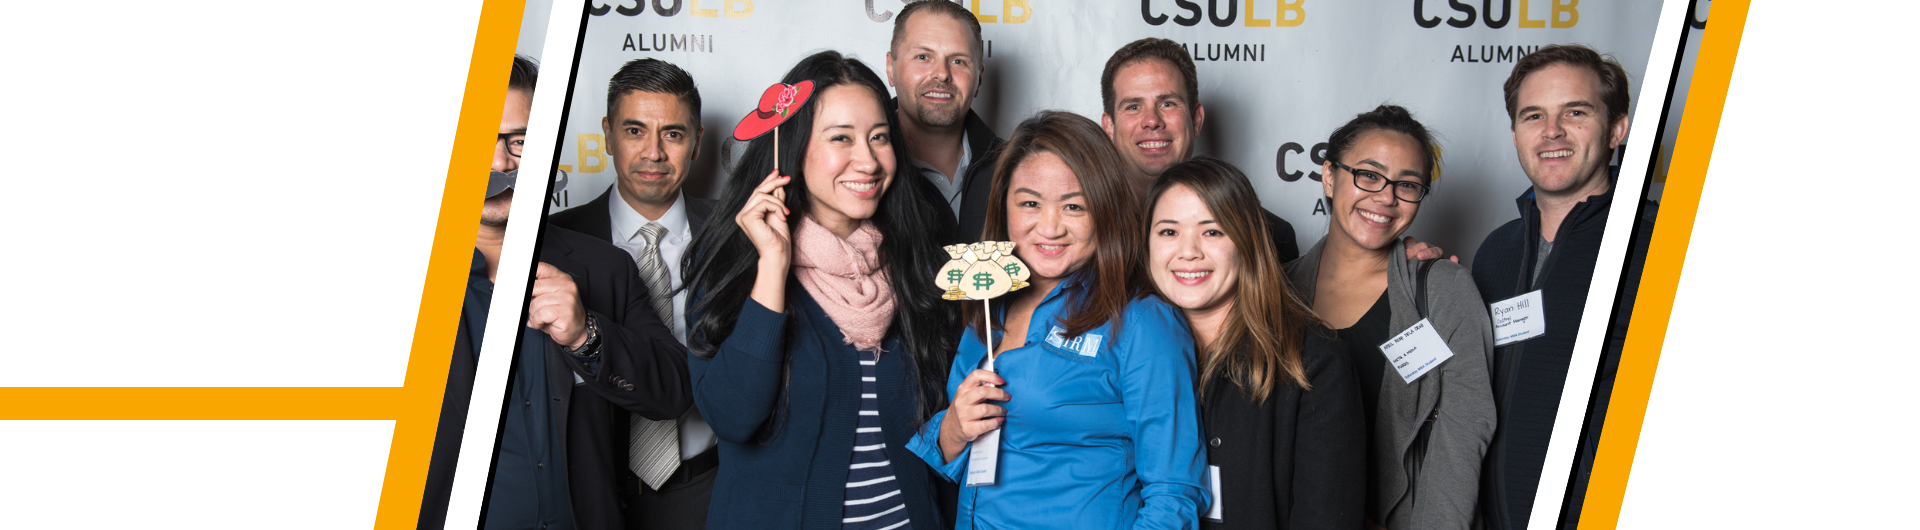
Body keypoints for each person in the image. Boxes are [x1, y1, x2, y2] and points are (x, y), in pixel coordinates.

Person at [681, 50, 958, 530]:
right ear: (794, 148)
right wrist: (773, 266)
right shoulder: (735, 263)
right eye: (841, 138)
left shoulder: (919, 262)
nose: (867, 160)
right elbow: (732, 415)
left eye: (879, 138)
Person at [420, 54, 693, 530]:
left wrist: (587, 335)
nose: (500, 162)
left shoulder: (604, 267)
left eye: (519, 141)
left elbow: (672, 391)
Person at [909, 110, 1209, 530]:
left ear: (1105, 210)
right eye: (1030, 203)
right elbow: (969, 446)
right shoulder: (989, 299)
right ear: (1005, 206)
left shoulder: (1143, 322)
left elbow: (1175, 493)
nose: (1049, 227)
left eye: (1074, 206)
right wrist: (953, 431)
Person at [1284, 105, 1495, 530]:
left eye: (1408, 184)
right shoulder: (1278, 290)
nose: (1385, 197)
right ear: (1329, 175)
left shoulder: (1442, 291)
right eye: (1369, 175)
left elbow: (1464, 430)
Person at [1472, 44, 1656, 530]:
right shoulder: (1495, 251)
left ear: (1617, 128)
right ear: (1515, 134)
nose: (1552, 131)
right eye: (1534, 116)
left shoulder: (1660, 244)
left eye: (1575, 112)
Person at [1145, 156, 1366, 530]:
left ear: (1246, 240)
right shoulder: (1124, 352)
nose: (1188, 251)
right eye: (1169, 232)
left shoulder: (1315, 361)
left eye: (1212, 231)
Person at [545, 57, 719, 529]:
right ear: (607, 133)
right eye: (635, 130)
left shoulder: (737, 234)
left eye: (674, 134)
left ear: (698, 142)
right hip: (587, 495)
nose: (654, 153)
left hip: (707, 487)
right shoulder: (552, 242)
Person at [1097, 37, 1299, 263]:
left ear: (1196, 119)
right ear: (1109, 126)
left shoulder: (1269, 234)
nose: (1152, 121)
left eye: (1167, 104)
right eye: (1134, 106)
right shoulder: (1081, 233)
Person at [885, 0, 1006, 242]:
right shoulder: (861, 168)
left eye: (958, 61)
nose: (942, 73)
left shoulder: (1012, 166)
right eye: (922, 56)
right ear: (891, 68)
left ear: (979, 80)